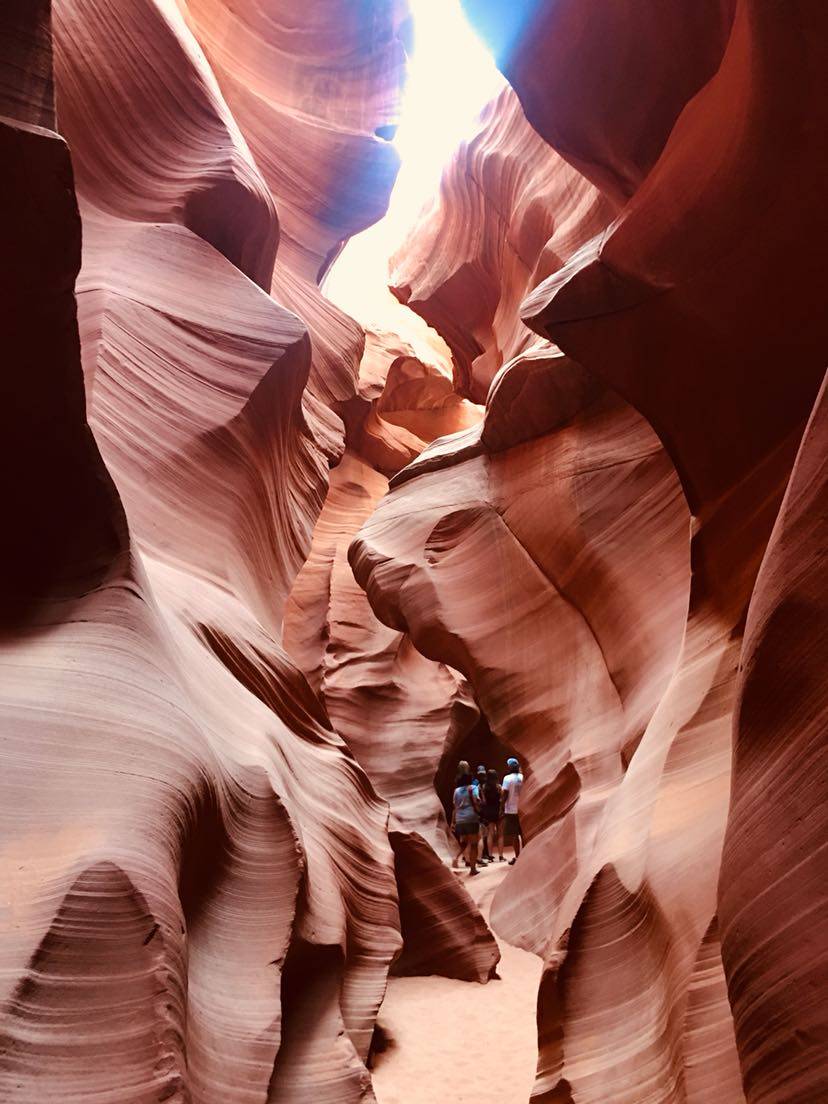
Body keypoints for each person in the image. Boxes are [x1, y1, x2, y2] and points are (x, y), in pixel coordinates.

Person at [451, 770, 481, 876]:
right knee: (474, 844)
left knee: (463, 842)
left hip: (460, 819)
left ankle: (455, 858)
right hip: (471, 818)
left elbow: (455, 806)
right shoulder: (473, 788)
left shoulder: (456, 791)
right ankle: (473, 869)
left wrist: (453, 821)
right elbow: (476, 800)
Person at [501, 757, 524, 864]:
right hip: (522, 809)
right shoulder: (523, 777)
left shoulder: (507, 778)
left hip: (511, 810)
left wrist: (501, 806)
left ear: (509, 767)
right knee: (524, 833)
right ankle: (525, 855)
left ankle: (518, 856)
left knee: (514, 835)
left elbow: (505, 794)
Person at [480, 768, 504, 863]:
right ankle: (501, 856)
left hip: (489, 812)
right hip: (498, 810)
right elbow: (502, 799)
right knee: (500, 834)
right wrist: (501, 809)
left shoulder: (484, 787)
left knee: (490, 833)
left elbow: (484, 801)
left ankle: (490, 856)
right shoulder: (499, 787)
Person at [474, 765, 492, 861]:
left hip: (483, 811)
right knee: (483, 833)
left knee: (484, 833)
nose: (482, 776)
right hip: (482, 811)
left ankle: (484, 853)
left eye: (482, 774)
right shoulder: (478, 784)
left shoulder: (479, 784)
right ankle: (484, 853)